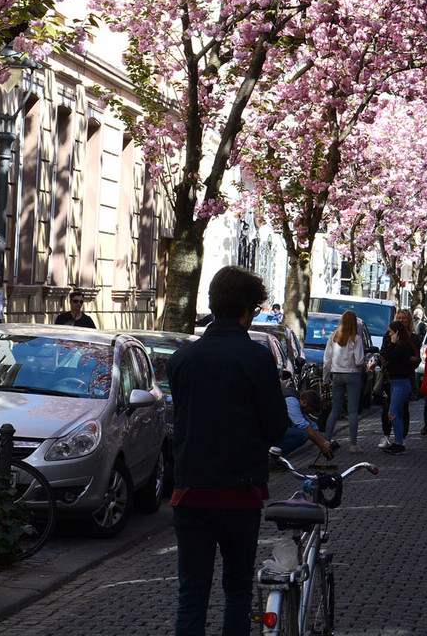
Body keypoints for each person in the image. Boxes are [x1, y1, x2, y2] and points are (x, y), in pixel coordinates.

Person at [168, 265, 289, 636]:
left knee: (192, 595)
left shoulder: (182, 360)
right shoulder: (256, 359)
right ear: (248, 310)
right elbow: (276, 427)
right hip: (240, 491)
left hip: (190, 490)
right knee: (236, 590)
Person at [323, 310, 367, 453]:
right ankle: (353, 444)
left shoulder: (333, 337)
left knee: (335, 410)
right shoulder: (356, 339)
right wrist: (363, 366)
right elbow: (359, 360)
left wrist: (325, 378)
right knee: (352, 411)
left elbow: (327, 360)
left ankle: (326, 441)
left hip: (336, 374)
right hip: (352, 374)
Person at [380, 319, 416, 453]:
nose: (389, 335)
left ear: (397, 332)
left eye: (391, 332)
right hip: (397, 382)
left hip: (401, 382)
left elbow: (389, 356)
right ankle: (398, 442)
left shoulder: (402, 346)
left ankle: (399, 443)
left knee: (392, 413)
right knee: (398, 413)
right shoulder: (403, 345)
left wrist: (393, 344)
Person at [275, 387, 336, 461]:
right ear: (304, 402)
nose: (308, 413)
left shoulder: (299, 400)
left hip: (275, 426)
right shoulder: (291, 401)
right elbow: (303, 425)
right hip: (269, 429)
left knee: (300, 430)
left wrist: (324, 442)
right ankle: (273, 456)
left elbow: (311, 424)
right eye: (308, 411)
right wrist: (321, 445)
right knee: (302, 435)